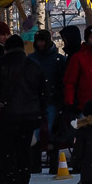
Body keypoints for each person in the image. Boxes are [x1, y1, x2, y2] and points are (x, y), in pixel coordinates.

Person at [0, 34, 47, 184]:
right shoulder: (34, 66)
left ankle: (14, 182)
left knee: (7, 150)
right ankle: (23, 182)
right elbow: (42, 93)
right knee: (24, 150)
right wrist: (41, 114)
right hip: (29, 116)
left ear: (6, 49)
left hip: (7, 115)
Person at [28, 29, 67, 173]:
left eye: (42, 41)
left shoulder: (58, 60)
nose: (40, 44)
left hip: (52, 100)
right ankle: (35, 163)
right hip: (36, 101)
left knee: (51, 131)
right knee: (35, 134)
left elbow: (63, 81)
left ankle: (53, 162)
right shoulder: (32, 59)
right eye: (38, 41)